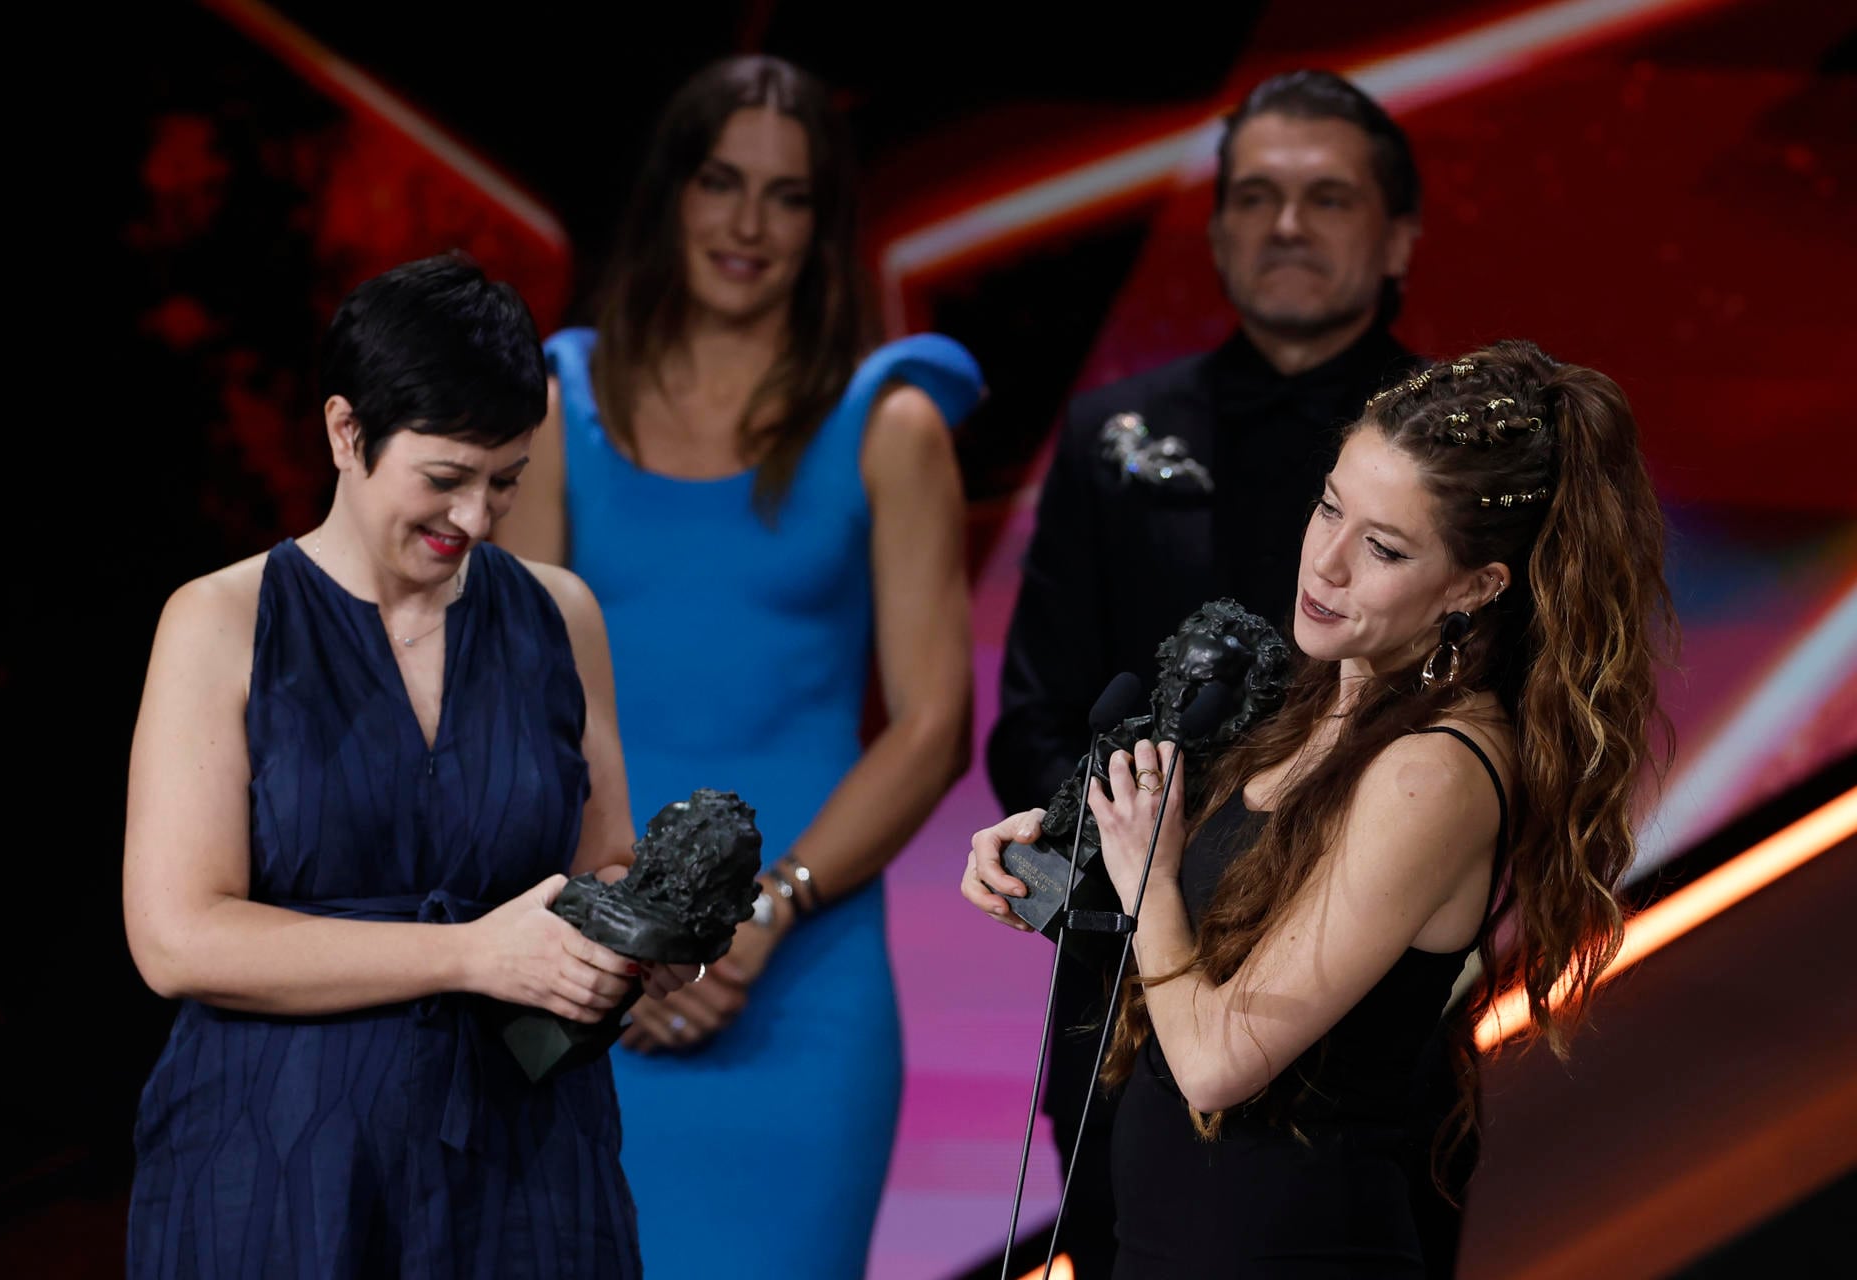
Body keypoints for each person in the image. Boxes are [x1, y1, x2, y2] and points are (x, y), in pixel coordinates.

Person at [966, 339, 1676, 1277]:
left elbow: (1220, 1061)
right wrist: (1055, 881)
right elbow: (1197, 964)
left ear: (1476, 587)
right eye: (1330, 506)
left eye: (1382, 547)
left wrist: (1152, 876)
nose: (1327, 563)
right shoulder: (1314, 696)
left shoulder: (1436, 771)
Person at [494, 56, 982, 1277]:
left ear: (824, 225)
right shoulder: (558, 401)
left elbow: (933, 725)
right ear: (672, 194)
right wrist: (626, 936)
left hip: (801, 993)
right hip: (584, 964)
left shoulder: (890, 425)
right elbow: (516, 697)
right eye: (723, 182)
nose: (749, 224)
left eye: (789, 195)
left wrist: (754, 919)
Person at [123, 255, 679, 1277]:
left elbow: (605, 861)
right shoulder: (220, 621)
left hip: (529, 1163)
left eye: (504, 479)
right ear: (347, 431)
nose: (473, 518)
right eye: (445, 477)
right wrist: (468, 953)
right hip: (275, 1163)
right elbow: (177, 936)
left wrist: (645, 933)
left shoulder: (560, 615)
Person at [985, 69, 1426, 1275]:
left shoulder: (1445, 471)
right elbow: (1035, 710)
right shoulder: (1114, 432)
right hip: (1119, 986)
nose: (1285, 224)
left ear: (1398, 236)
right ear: (1219, 227)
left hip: (1341, 1029)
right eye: (1256, 196)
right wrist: (1081, 823)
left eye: (1325, 198)